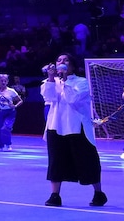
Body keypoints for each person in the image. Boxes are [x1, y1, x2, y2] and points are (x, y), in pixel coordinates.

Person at [41, 54, 108, 208]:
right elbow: (48, 96)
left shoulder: (82, 82)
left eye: (65, 60)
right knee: (56, 161)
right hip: (56, 127)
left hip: (77, 128)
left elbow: (72, 99)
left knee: (87, 160)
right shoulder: (51, 82)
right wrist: (52, 78)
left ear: (72, 66)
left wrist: (64, 81)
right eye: (58, 60)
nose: (61, 62)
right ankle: (55, 195)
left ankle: (98, 193)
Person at [0, 73, 21, 151]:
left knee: (6, 128)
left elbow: (20, 101)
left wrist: (15, 106)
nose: (3, 82)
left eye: (5, 81)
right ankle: (0, 146)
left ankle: (8, 144)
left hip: (10, 113)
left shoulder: (11, 91)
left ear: (7, 81)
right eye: (1, 81)